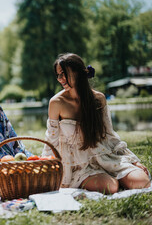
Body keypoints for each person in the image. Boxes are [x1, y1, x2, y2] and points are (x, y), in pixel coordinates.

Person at [42, 53, 151, 194]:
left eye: (63, 74)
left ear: (77, 72)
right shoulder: (56, 102)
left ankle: (116, 177)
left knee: (143, 181)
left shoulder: (99, 99)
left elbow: (110, 136)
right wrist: (46, 167)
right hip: (78, 164)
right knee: (110, 187)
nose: (60, 79)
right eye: (58, 75)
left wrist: (133, 160)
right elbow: (51, 140)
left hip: (104, 155)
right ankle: (110, 180)